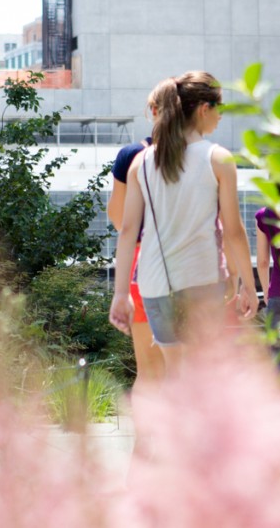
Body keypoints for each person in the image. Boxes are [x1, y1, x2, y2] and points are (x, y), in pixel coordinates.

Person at [109, 71, 256, 369]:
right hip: (202, 280)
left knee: (174, 373)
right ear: (204, 109)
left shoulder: (142, 161)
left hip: (153, 284)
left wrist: (121, 294)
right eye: (220, 110)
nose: (220, 118)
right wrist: (247, 285)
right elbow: (234, 232)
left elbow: (127, 231)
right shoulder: (218, 159)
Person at [107, 136, 166, 391]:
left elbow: (120, 220)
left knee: (148, 370)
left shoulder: (132, 155)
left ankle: (144, 433)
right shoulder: (200, 154)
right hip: (187, 263)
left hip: (142, 261)